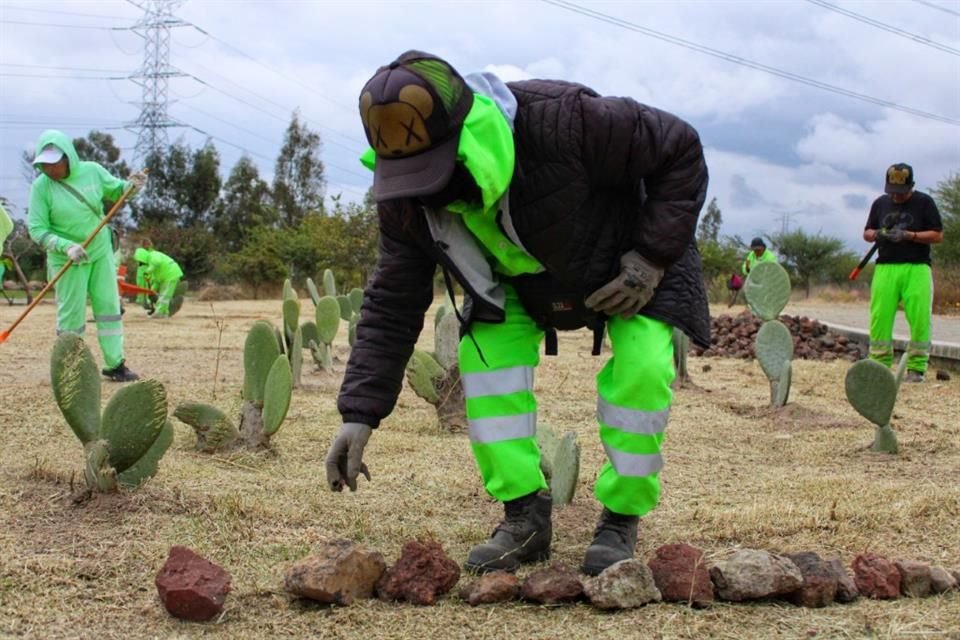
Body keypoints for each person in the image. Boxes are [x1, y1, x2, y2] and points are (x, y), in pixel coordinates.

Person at [324, 51, 710, 576]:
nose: (430, 190)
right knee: (487, 370)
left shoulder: (566, 119)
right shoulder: (406, 198)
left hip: (628, 260)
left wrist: (649, 258)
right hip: (513, 283)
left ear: (472, 133)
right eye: (412, 176)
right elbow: (393, 301)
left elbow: (680, 149)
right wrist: (359, 413)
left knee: (643, 371)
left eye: (436, 168)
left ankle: (622, 515)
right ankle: (525, 515)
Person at [27, 130, 146, 382]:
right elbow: (37, 229)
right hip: (67, 259)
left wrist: (131, 187)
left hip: (100, 251)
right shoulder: (41, 187)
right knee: (71, 314)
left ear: (68, 158)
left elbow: (117, 191)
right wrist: (65, 246)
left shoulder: (92, 171)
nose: (49, 169)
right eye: (44, 165)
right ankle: (71, 366)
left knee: (109, 308)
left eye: (54, 163)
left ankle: (115, 363)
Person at [863, 163, 943, 382]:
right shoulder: (880, 203)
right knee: (880, 316)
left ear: (912, 186)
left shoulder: (925, 203)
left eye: (901, 192)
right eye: (892, 192)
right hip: (885, 267)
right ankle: (879, 365)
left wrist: (910, 236)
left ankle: (916, 368)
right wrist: (878, 234)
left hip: (916, 267)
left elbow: (937, 235)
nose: (896, 197)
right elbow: (867, 232)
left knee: (919, 318)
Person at [133, 247, 183, 318]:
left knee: (164, 295)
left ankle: (160, 312)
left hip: (171, 274)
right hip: (165, 277)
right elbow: (155, 280)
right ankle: (163, 312)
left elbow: (157, 262)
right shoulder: (150, 264)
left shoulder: (153, 255)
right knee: (163, 294)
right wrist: (151, 291)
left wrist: (148, 270)